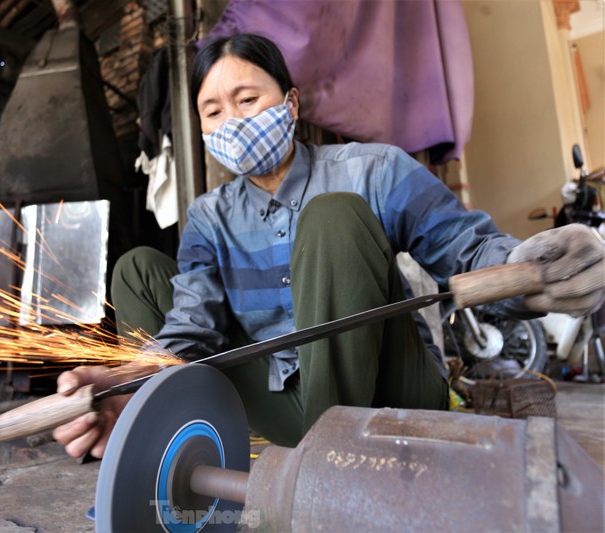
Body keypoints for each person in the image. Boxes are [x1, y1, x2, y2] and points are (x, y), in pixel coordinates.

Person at [53, 33, 605, 458]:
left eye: (248, 98)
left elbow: (465, 247)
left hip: (392, 392)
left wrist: (530, 267)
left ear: (289, 104)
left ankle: (337, 462)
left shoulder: (373, 169)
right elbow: (192, 323)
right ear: (200, 128)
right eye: (214, 111)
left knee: (333, 215)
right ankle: (174, 436)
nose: (234, 121)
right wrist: (133, 377)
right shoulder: (208, 217)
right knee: (137, 269)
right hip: (284, 401)